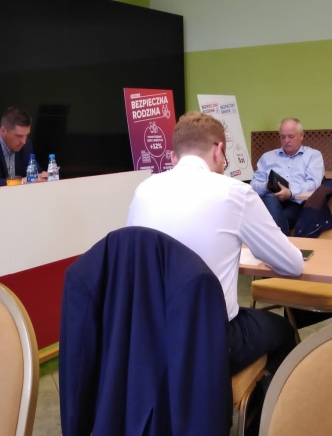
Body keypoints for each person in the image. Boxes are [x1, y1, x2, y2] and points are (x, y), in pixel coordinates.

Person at [127, 111, 304, 377]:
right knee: (284, 332)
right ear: (219, 150)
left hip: (146, 339)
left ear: (174, 156)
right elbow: (292, 265)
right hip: (208, 340)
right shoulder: (235, 192)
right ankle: (252, 404)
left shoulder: (144, 190)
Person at [249, 118, 324, 235]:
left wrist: (290, 192)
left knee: (274, 221)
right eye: (282, 137)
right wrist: (267, 186)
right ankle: (283, 243)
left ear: (301, 135)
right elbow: (253, 185)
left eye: (291, 136)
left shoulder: (313, 156)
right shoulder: (267, 157)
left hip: (296, 201)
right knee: (270, 201)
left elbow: (314, 183)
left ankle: (277, 241)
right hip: (270, 199)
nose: (286, 141)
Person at [0, 107, 47, 186]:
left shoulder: (26, 145)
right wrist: (21, 181)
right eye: (19, 136)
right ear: (3, 131)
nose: (23, 141)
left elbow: (35, 172)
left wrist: (44, 176)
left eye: (26, 135)